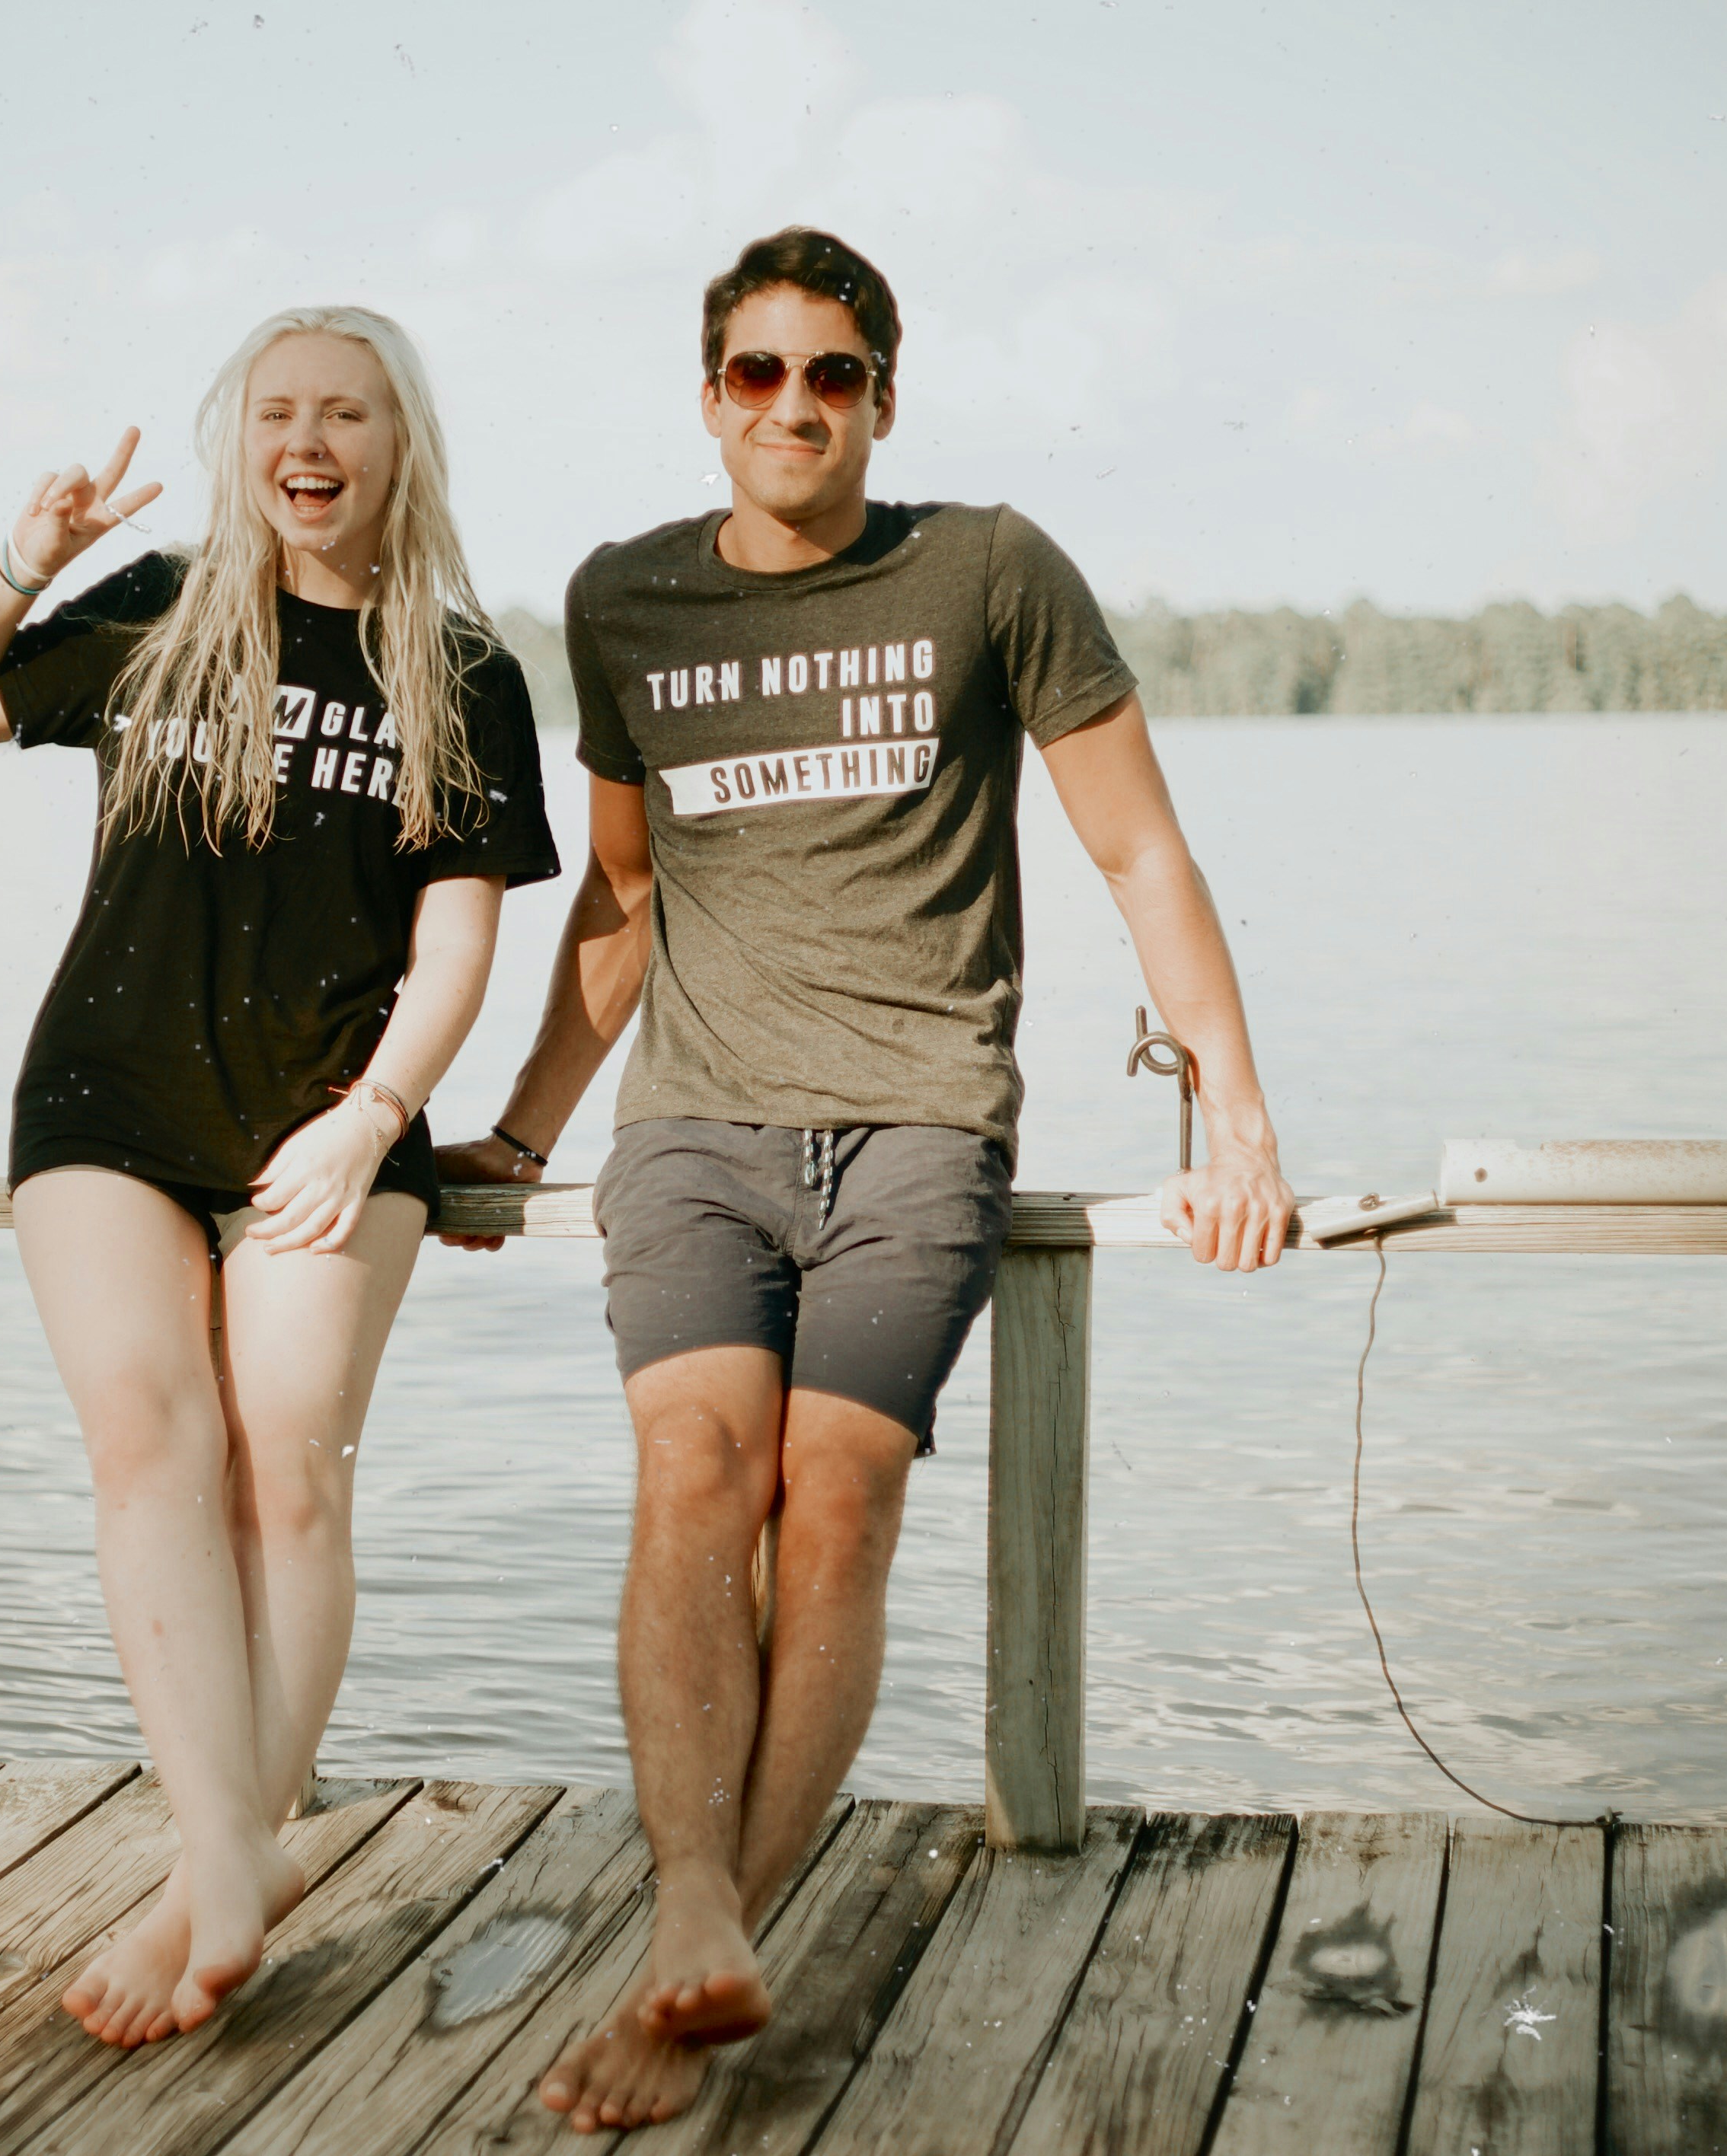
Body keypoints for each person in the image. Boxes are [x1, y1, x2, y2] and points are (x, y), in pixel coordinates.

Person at [433, 229, 1293, 2133]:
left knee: (834, 1503)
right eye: (757, 372)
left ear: (882, 398)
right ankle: (693, 1907)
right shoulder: (624, 598)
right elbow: (625, 895)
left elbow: (1138, 853)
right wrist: (518, 1133)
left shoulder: (985, 567)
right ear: (711, 396)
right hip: (693, 1128)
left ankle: (689, 1979)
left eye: (832, 373)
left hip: (917, 1121)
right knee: (691, 1471)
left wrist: (1232, 1105)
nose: (794, 405)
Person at [0, 306, 558, 2049]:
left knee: (291, 1477)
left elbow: (459, 941)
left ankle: (206, 1883)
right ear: (237, 439)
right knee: (148, 1441)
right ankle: (230, 1851)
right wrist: (26, 556)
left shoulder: (461, 669)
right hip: (108, 1099)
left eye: (346, 411)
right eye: (277, 410)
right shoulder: (160, 610)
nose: (308, 439)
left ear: (398, 444)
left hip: (331, 1114)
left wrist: (370, 1114)